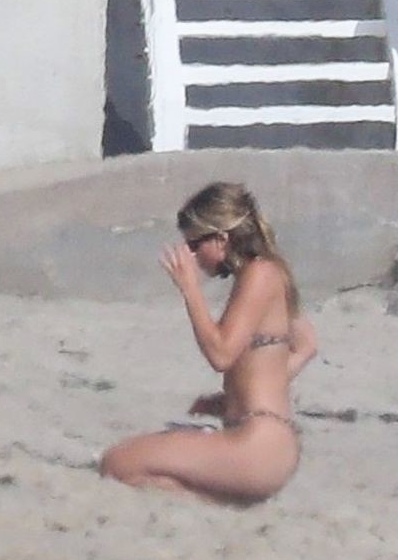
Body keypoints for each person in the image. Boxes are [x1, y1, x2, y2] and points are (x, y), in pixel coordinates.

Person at [99, 181, 317, 504]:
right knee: (137, 470)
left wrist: (190, 289)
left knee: (117, 463)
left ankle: (222, 500)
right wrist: (239, 394)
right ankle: (225, 499)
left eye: (194, 244)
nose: (191, 255)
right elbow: (306, 344)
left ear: (221, 239)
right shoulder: (271, 272)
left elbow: (221, 354)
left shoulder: (260, 274)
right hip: (269, 444)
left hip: (258, 444)